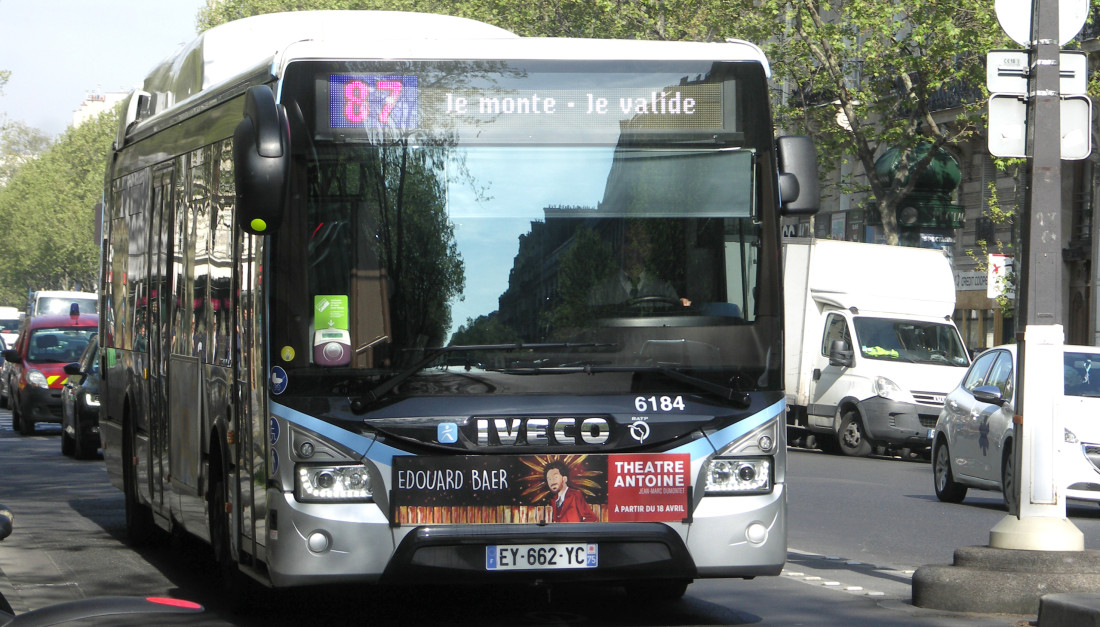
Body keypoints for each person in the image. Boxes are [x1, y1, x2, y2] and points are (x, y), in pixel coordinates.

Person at [587, 221, 689, 308]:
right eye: (628, 241)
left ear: (648, 249)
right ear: (619, 247)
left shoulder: (665, 292)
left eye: (639, 241)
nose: (633, 248)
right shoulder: (600, 293)